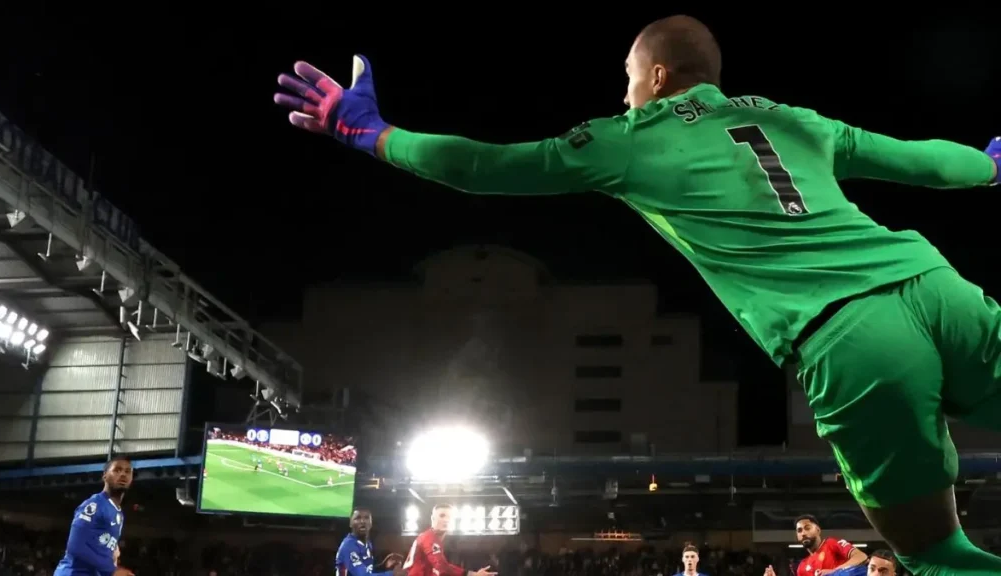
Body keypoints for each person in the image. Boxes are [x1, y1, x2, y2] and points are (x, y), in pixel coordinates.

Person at [273, 15, 1001, 575]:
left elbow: (482, 165)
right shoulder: (790, 119)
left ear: (655, 76)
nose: (622, 92)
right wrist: (990, 166)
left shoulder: (631, 137)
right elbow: (920, 161)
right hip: (936, 286)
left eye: (626, 77)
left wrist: (373, 134)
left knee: (938, 556)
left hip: (853, 340)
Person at [54, 455, 134, 576]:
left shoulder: (119, 513)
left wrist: (113, 557)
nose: (123, 474)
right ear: (105, 475)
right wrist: (112, 570)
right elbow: (76, 546)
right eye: (117, 470)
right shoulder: (95, 505)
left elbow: (102, 547)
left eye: (128, 471)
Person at [400, 504, 494, 576]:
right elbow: (441, 566)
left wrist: (472, 574)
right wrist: (470, 574)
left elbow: (443, 565)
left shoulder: (431, 538)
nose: (446, 520)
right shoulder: (429, 538)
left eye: (450, 517)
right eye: (442, 516)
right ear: (433, 519)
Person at [336, 508, 403, 576]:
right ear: (350, 523)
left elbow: (368, 570)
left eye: (366, 518)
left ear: (371, 523)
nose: (362, 521)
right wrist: (392, 574)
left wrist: (383, 565)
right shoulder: (348, 546)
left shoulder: (367, 543)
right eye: (358, 518)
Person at [793, 515, 867, 575]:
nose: (803, 533)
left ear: (818, 530)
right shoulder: (801, 568)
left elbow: (861, 556)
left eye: (807, 528)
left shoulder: (831, 543)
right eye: (799, 530)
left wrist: (834, 571)